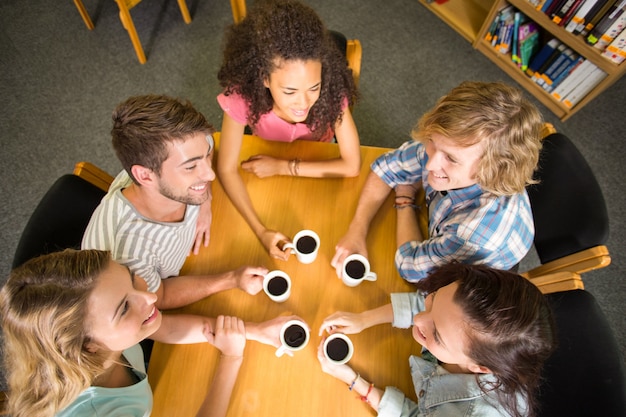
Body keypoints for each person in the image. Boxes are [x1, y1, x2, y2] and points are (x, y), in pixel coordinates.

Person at [0, 249, 301, 417]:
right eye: (124, 308)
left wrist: (256, 331)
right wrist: (232, 358)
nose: (152, 298)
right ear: (86, 346)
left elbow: (164, 327)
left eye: (132, 279)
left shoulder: (106, 339)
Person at [331, 81, 544, 282]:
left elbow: (410, 268)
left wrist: (404, 198)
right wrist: (357, 230)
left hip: (473, 276)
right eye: (432, 142)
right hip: (440, 228)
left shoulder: (473, 236)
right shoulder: (454, 146)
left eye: (451, 158)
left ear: (493, 169)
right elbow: (387, 168)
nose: (430, 164)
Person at [82, 94, 268, 310]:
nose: (210, 175)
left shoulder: (188, 148)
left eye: (205, 157)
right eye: (190, 167)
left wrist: (205, 202)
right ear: (145, 176)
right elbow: (161, 295)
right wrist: (232, 279)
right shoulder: (127, 257)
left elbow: (208, 143)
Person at [216, 0, 361, 260]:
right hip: (268, 161)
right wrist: (261, 231)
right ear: (264, 79)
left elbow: (352, 166)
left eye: (313, 88)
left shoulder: (332, 90)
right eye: (290, 91)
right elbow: (226, 168)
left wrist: (282, 166)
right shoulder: (242, 97)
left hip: (315, 161)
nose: (304, 103)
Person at [317, 263, 556, 417]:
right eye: (433, 299)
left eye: (437, 336)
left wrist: (353, 380)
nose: (419, 319)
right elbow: (430, 310)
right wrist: (363, 319)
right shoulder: (465, 324)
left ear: (480, 367)